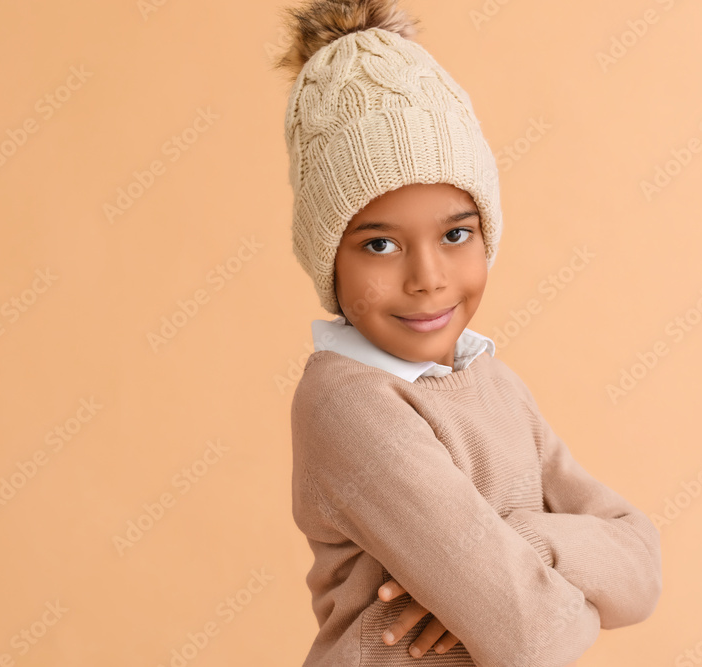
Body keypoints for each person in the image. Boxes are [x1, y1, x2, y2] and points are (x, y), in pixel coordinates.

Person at [276, 1, 662, 664]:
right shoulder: (349, 404)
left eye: (456, 234)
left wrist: (525, 545)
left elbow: (642, 565)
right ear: (327, 259)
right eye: (379, 246)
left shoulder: (489, 379)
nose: (428, 278)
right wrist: (528, 587)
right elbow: (533, 635)